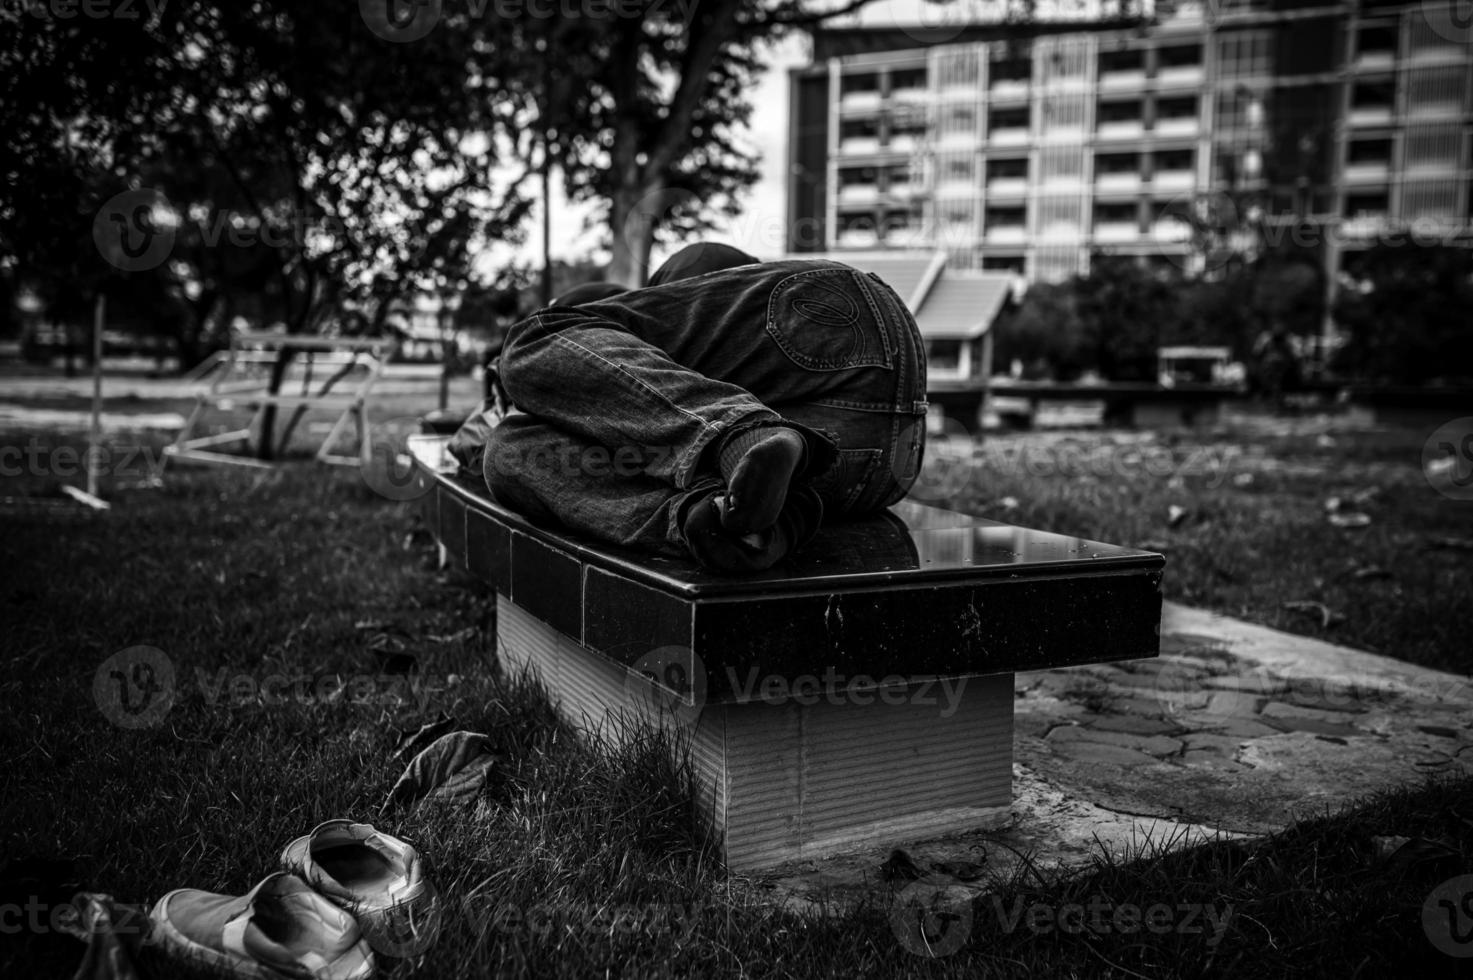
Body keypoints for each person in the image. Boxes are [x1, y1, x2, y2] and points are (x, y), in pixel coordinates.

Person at [448, 244, 927, 573]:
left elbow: (554, 353)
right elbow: (474, 445)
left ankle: (739, 436)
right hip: (874, 467)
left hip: (835, 318)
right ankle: (717, 518)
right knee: (509, 451)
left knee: (535, 337)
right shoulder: (645, 407)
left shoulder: (674, 283)